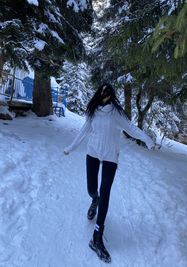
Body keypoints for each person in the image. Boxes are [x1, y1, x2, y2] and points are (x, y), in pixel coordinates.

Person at [64, 83, 154, 263]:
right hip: (93, 154)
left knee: (105, 192)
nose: (104, 93)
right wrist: (71, 147)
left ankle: (97, 237)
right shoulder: (94, 111)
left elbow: (131, 128)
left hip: (110, 157)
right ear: (99, 93)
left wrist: (147, 140)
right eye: (102, 90)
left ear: (111, 94)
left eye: (107, 91)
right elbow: (84, 131)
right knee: (92, 189)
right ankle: (93, 199)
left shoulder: (116, 113)